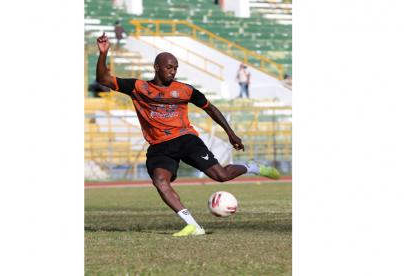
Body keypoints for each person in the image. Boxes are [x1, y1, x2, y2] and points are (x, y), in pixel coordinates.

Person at [95, 33, 280, 237]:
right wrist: (103, 53)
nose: (172, 72)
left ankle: (251, 166)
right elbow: (103, 79)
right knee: (160, 181)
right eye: (169, 67)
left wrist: (230, 133)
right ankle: (193, 225)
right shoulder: (139, 87)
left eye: (175, 68)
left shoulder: (185, 90)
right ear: (157, 67)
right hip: (159, 146)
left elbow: (211, 108)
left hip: (185, 139)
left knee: (221, 176)